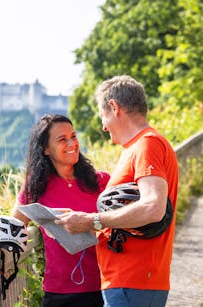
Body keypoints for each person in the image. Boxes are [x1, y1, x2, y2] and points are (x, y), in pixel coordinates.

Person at [55, 75, 179, 306]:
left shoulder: (147, 144)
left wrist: (93, 221)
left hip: (135, 282)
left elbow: (153, 208)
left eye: (103, 116)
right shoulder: (136, 147)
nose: (103, 126)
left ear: (114, 107)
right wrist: (78, 223)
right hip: (127, 282)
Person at [0, 114, 110, 307]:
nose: (72, 143)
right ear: (45, 149)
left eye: (74, 136)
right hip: (58, 292)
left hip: (104, 288)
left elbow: (123, 226)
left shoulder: (102, 182)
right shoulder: (36, 186)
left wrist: (90, 225)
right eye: (62, 139)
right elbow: (14, 228)